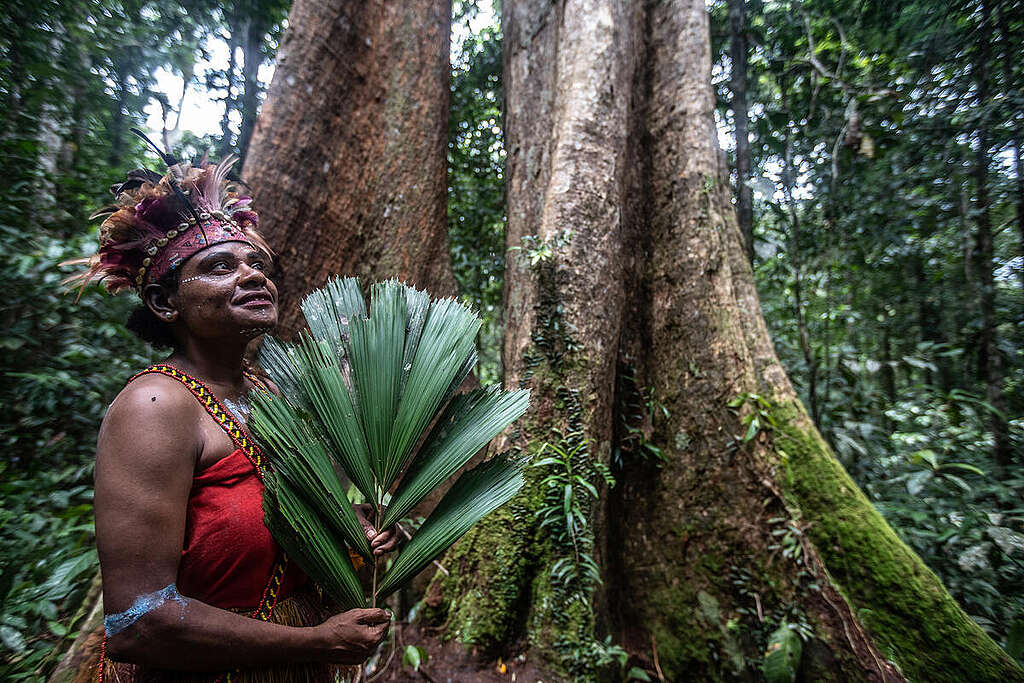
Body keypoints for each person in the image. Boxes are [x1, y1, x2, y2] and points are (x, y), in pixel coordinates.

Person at [69, 147, 397, 682]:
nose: (253, 276)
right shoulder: (156, 406)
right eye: (220, 267)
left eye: (257, 265)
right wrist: (315, 642)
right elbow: (138, 624)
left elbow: (268, 523)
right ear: (164, 302)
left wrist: (347, 527)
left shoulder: (271, 392)